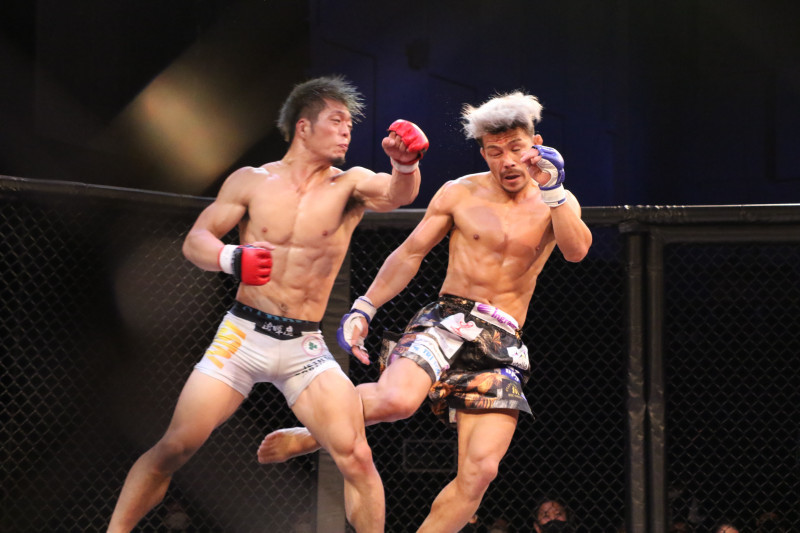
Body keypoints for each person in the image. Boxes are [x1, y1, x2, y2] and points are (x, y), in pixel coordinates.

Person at [106, 75, 429, 533]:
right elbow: (196, 239)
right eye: (337, 121)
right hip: (242, 335)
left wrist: (405, 165)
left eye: (350, 125)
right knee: (176, 446)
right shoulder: (251, 181)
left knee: (356, 456)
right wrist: (231, 257)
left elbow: (397, 195)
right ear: (303, 127)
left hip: (304, 345)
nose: (347, 131)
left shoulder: (349, 184)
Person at [257, 90, 592, 532]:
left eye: (516, 148)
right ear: (483, 154)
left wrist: (553, 191)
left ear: (537, 144)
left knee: (481, 472)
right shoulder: (459, 192)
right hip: (448, 318)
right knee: (395, 401)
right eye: (495, 152)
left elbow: (576, 251)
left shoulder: (557, 200)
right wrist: (365, 306)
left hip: (503, 338)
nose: (508, 161)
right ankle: (312, 432)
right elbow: (410, 253)